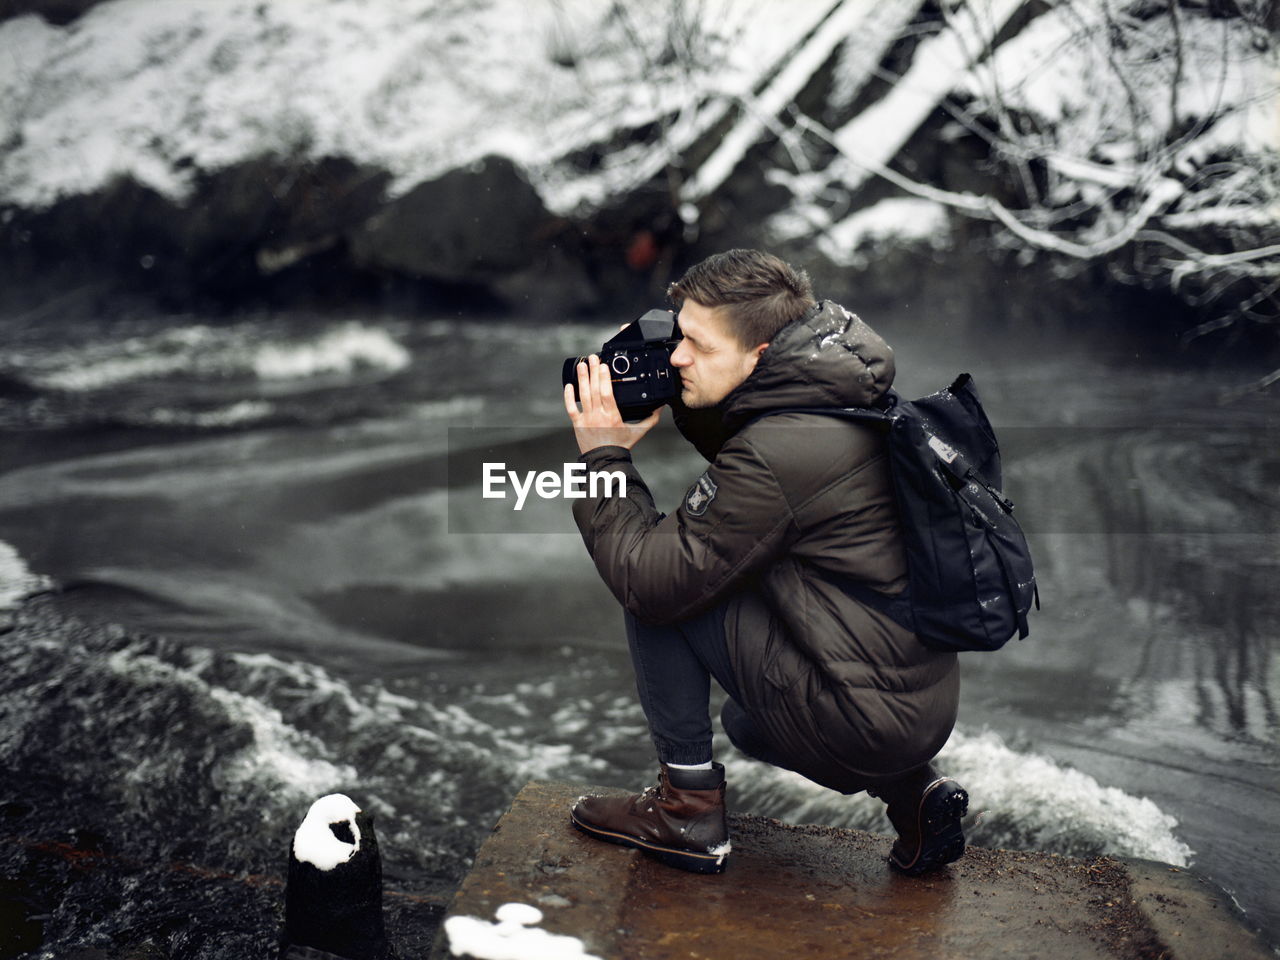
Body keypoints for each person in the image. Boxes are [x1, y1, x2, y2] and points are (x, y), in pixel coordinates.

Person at [561, 248, 966, 876]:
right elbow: (759, 460)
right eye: (677, 337)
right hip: (913, 708)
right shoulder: (839, 391)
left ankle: (685, 811)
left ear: (760, 355)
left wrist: (603, 458)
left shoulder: (780, 453)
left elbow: (650, 578)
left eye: (697, 345)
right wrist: (674, 391)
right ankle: (913, 793)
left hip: (860, 718)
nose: (675, 357)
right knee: (746, 721)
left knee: (655, 584)